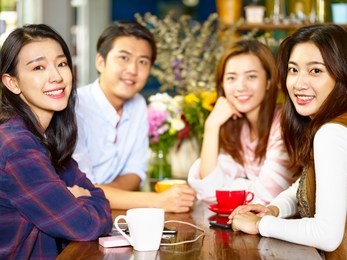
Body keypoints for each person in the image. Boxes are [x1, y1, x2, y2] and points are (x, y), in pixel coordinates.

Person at [229, 24, 347, 259]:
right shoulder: (333, 125)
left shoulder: (331, 133)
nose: (299, 83)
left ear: (341, 74)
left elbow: (326, 234)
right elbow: (310, 183)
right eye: (293, 70)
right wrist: (274, 208)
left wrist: (260, 225)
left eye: (315, 71)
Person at [0, 24, 112, 259]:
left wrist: (79, 198)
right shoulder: (16, 146)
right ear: (12, 83)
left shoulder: (43, 138)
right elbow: (85, 226)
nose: (57, 76)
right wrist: (79, 199)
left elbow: (97, 194)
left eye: (61, 64)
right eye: (38, 67)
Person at [72, 21, 195, 213]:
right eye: (123, 58)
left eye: (143, 62)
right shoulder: (74, 107)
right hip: (75, 220)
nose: (133, 70)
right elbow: (81, 188)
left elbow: (135, 172)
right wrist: (157, 201)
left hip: (110, 213)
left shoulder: (137, 104)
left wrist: (101, 196)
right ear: (100, 62)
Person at [188, 39, 293, 205]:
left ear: (268, 81)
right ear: (222, 85)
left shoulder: (284, 124)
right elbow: (207, 190)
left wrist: (233, 186)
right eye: (231, 78)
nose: (240, 87)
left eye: (251, 76)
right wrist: (211, 126)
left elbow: (267, 197)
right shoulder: (240, 128)